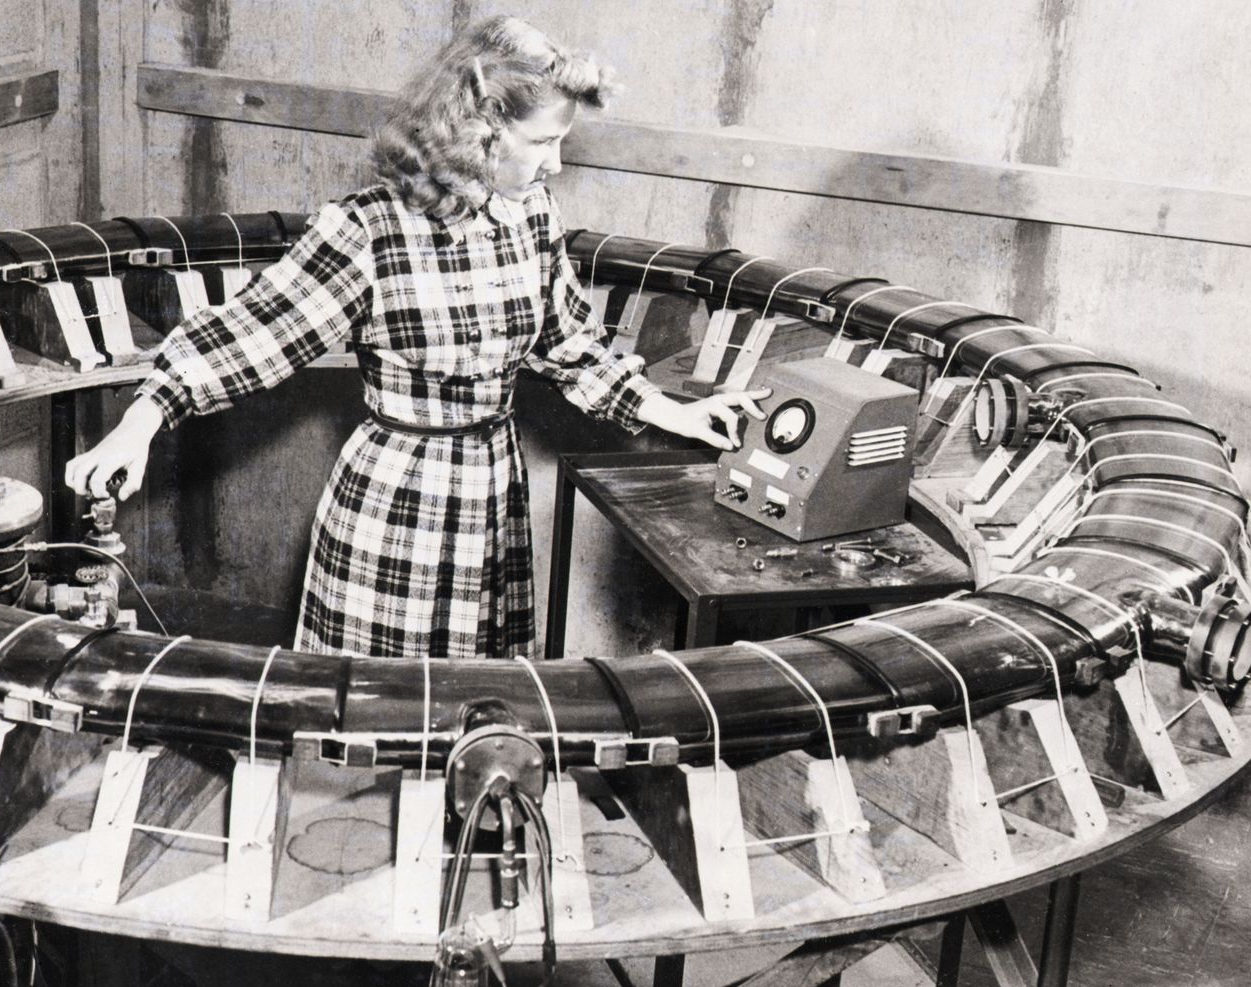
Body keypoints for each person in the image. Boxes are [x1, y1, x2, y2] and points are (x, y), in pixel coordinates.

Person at [66, 15, 765, 659]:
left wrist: (672, 412)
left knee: (478, 711)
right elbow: (246, 336)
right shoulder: (369, 229)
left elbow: (569, 341)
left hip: (493, 490)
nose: (555, 165)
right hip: (398, 502)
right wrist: (139, 423)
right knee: (375, 713)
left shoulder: (530, 216)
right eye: (545, 144)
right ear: (482, 128)